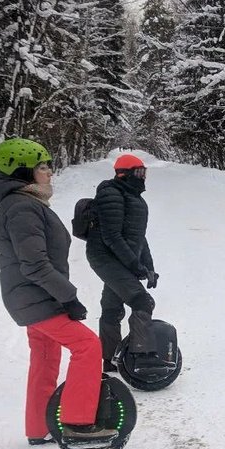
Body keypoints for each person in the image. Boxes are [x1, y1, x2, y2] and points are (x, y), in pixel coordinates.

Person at [0, 138, 115, 442]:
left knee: (45, 358)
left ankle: (38, 428)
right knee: (88, 346)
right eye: (43, 167)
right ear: (23, 171)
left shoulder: (24, 203)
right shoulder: (22, 207)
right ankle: (78, 423)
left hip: (32, 297)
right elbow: (34, 264)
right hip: (37, 298)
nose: (49, 172)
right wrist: (68, 297)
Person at [86, 153, 158, 370]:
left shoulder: (134, 197)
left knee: (112, 307)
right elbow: (112, 237)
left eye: (144, 172)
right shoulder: (111, 194)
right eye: (139, 172)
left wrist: (149, 267)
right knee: (142, 301)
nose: (143, 177)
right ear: (123, 173)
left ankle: (110, 360)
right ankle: (141, 357)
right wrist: (135, 266)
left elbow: (139, 237)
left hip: (121, 259)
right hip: (105, 258)